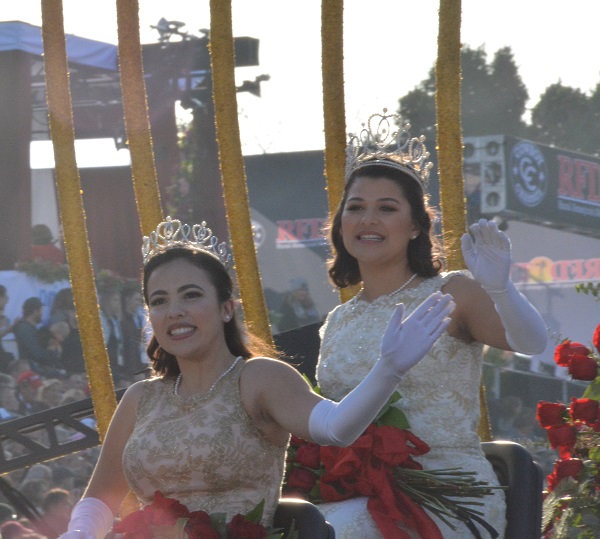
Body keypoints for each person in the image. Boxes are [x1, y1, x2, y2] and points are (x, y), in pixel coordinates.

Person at [57, 216, 454, 539]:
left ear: (227, 308)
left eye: (191, 295)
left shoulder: (260, 379)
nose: (174, 310)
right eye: (159, 301)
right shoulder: (140, 398)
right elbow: (100, 501)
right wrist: (77, 534)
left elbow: (336, 428)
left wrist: (389, 369)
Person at [313, 110, 548, 538]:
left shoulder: (451, 293)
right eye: (356, 207)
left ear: (417, 226)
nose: (368, 220)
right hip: (357, 492)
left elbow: (533, 342)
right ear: (340, 224)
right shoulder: (338, 320)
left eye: (386, 208)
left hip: (449, 497)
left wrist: (500, 289)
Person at [12, 297, 64, 378]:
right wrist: (55, 353)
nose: (42, 314)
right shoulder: (24, 328)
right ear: (35, 311)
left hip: (38, 367)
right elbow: (36, 354)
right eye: (41, 311)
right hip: (33, 369)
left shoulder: (29, 327)